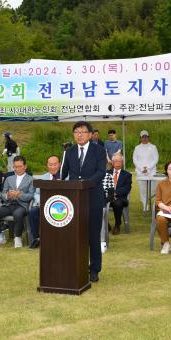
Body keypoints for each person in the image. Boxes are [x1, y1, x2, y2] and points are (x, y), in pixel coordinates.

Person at [61, 121, 107, 283]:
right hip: (74, 199)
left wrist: (85, 184)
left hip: (93, 197)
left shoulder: (99, 150)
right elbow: (63, 174)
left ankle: (94, 269)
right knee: (75, 234)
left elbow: (101, 172)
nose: (79, 135)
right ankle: (76, 265)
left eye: (83, 132)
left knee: (93, 235)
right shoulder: (69, 152)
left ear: (90, 134)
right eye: (76, 132)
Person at [0, 155, 35, 248]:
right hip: (9, 204)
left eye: (19, 166)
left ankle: (17, 237)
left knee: (18, 214)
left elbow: (31, 195)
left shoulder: (31, 179)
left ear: (25, 166)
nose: (17, 169)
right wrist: (8, 195)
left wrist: (19, 194)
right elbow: (3, 194)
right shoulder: (9, 179)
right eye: (15, 167)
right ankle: (0, 236)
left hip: (22, 205)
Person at [28, 155, 62, 249]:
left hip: (60, 207)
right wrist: (40, 201)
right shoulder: (43, 178)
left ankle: (60, 239)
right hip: (44, 206)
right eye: (50, 165)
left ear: (59, 164)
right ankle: (37, 239)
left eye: (55, 164)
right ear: (47, 165)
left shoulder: (66, 177)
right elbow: (36, 193)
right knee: (33, 212)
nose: (53, 167)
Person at [104, 153, 132, 235]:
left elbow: (126, 188)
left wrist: (114, 193)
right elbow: (103, 186)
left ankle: (117, 224)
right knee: (96, 202)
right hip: (107, 197)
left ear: (122, 163)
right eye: (116, 161)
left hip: (120, 198)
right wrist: (110, 194)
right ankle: (106, 224)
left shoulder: (127, 175)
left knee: (117, 203)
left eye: (120, 161)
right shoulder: (106, 173)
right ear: (112, 162)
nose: (118, 163)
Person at [132, 130, 159, 212]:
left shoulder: (153, 147)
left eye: (146, 137)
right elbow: (135, 159)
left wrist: (148, 168)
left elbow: (156, 159)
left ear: (148, 137)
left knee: (153, 189)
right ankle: (145, 205)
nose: (144, 138)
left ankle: (154, 205)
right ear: (140, 138)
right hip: (140, 172)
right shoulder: (137, 147)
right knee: (142, 189)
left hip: (151, 171)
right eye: (143, 137)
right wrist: (141, 168)